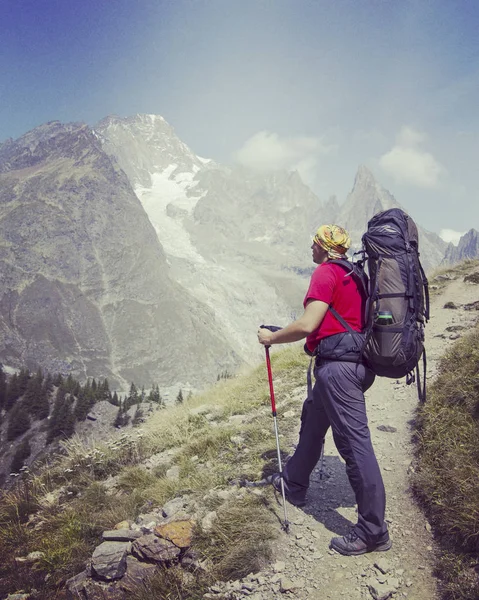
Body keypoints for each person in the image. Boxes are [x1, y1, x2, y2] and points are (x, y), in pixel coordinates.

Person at [257, 224, 391, 556]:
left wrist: (272, 338)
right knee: (313, 425)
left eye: (314, 242)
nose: (310, 247)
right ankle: (294, 483)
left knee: (355, 445)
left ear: (325, 247)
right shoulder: (355, 275)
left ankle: (373, 531)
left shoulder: (326, 272)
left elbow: (307, 324)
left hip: (338, 371)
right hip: (354, 364)